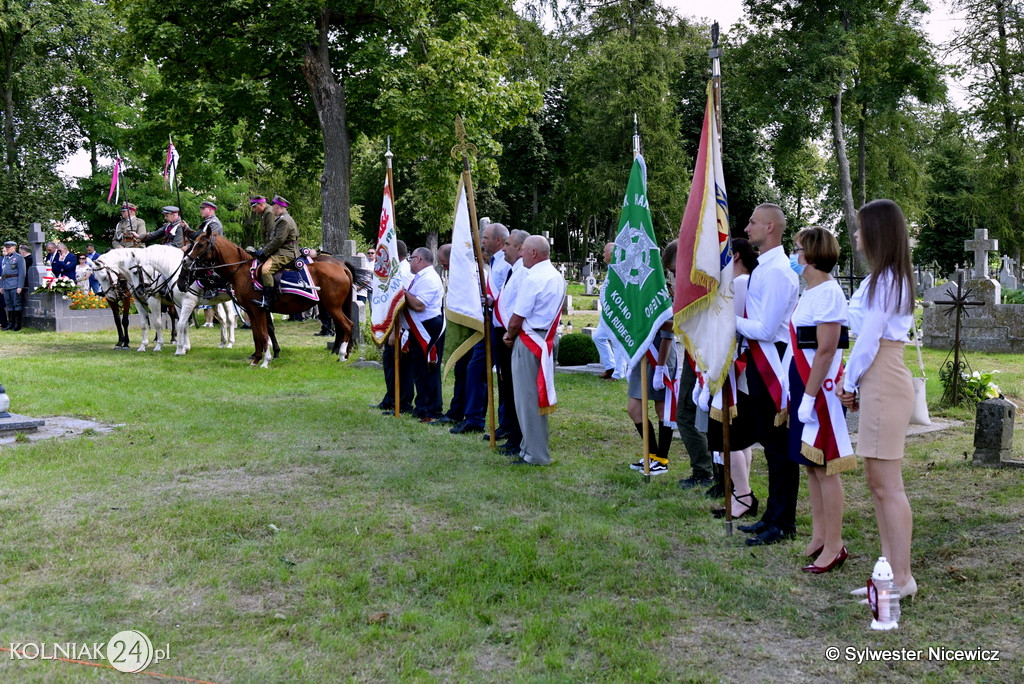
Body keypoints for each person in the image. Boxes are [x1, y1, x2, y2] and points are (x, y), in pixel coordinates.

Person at [837, 199, 917, 599]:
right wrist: (855, 381)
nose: (855, 235)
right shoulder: (879, 279)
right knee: (876, 481)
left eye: (860, 228)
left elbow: (870, 338)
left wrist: (849, 380)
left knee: (888, 484)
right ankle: (889, 573)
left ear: (878, 233)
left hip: (883, 374)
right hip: (877, 376)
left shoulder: (889, 280)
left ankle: (901, 578)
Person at [786, 227, 854, 573]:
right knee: (811, 466)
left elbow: (826, 350)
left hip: (819, 389)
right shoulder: (810, 291)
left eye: (797, 249)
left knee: (826, 467)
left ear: (811, 254)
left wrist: (809, 396)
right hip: (802, 384)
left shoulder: (828, 292)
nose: (794, 255)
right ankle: (819, 535)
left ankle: (836, 544)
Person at [735, 203, 800, 547]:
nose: (747, 228)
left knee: (778, 446)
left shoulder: (776, 272)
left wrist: (727, 321)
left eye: (753, 222)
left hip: (771, 361)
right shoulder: (765, 268)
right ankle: (772, 516)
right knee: (770, 443)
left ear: (771, 227)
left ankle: (782, 521)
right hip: (759, 360)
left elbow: (765, 327)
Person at [706, 238, 759, 519]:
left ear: (735, 256)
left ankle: (743, 494)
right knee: (739, 437)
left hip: (735, 369)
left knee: (732, 436)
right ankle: (742, 490)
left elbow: (729, 325)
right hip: (738, 367)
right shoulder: (747, 282)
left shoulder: (740, 283)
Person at [503, 235, 566, 466]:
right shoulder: (555, 275)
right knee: (534, 398)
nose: (520, 255)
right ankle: (528, 448)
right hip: (545, 339)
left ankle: (534, 454)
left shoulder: (532, 278)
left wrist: (509, 335)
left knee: (527, 400)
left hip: (530, 341)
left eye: (523, 251)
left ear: (532, 253)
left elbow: (517, 317)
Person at [450, 222, 510, 435]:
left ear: (498, 241)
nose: (482, 241)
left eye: (485, 238)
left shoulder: (506, 263)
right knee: (476, 369)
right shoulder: (495, 261)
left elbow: (507, 294)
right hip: (488, 323)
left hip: (500, 325)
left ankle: (503, 423)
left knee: (501, 376)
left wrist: (493, 301)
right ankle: (474, 418)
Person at [624, 242, 677, 476]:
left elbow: (668, 333)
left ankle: (661, 460)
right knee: (634, 408)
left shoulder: (661, 292)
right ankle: (651, 453)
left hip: (660, 356)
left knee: (661, 409)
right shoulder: (636, 291)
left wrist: (661, 367)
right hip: (641, 355)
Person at [490, 229, 530, 455]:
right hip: (503, 334)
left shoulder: (523, 273)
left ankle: (517, 438)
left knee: (514, 389)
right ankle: (511, 431)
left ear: (521, 248)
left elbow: (519, 307)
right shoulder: (514, 271)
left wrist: (510, 333)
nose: (503, 248)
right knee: (506, 387)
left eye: (508, 244)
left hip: (511, 337)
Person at [403, 247, 446, 421]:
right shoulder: (421, 277)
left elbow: (419, 305)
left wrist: (403, 293)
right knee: (419, 369)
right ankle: (422, 406)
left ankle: (432, 409)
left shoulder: (429, 278)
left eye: (411, 258)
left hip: (428, 327)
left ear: (419, 259)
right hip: (419, 326)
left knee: (429, 367)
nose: (409, 261)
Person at [376, 239, 413, 414]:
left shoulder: (403, 272)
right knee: (390, 363)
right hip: (395, 326)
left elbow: (401, 302)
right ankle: (391, 398)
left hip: (402, 327)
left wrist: (394, 331)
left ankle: (402, 402)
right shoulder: (399, 270)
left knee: (401, 367)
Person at [253, 195, 300, 309]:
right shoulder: (282, 219)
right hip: (282, 251)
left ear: (278, 207)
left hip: (285, 253)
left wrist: (264, 251)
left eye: (273, 207)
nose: (272, 209)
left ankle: (268, 300)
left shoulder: (284, 220)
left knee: (265, 270)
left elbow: (278, 240)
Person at [592, 242, 628, 380]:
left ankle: (619, 373)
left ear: (612, 254)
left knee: (617, 340)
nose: (603, 254)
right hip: (607, 311)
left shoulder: (620, 270)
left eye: (604, 252)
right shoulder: (612, 269)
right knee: (598, 337)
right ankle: (610, 367)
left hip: (616, 312)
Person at [1, 240, 27, 331]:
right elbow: (3, 273)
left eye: (9, 247)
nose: (7, 249)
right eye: (6, 247)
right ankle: (11, 323)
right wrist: (1, 286)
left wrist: (20, 286)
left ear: (14, 248)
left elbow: (22, 273)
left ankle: (17, 324)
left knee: (16, 304)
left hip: (14, 283)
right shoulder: (5, 258)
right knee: (9, 304)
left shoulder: (19, 258)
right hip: (6, 284)